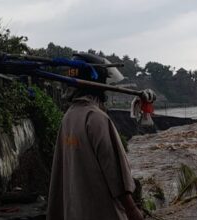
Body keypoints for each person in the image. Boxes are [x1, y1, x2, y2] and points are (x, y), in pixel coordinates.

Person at [47, 53, 144, 220]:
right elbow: (115, 172)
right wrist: (132, 210)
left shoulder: (68, 117)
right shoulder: (96, 118)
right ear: (99, 84)